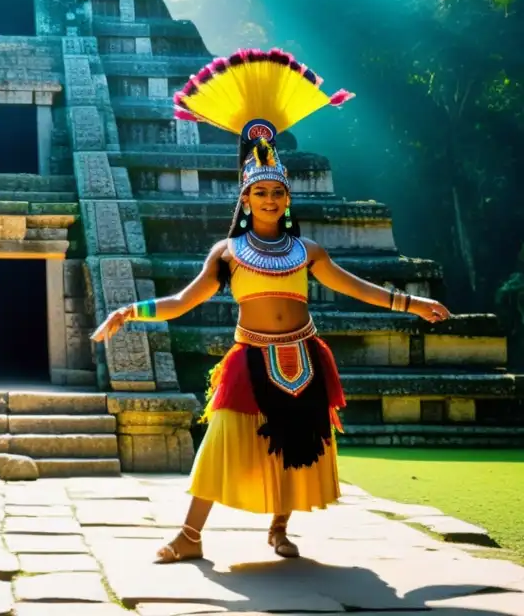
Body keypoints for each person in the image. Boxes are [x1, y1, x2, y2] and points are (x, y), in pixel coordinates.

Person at [91, 49, 451, 564]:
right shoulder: (227, 252)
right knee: (220, 441)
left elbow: (357, 288)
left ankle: (278, 528)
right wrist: (128, 312)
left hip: (304, 356)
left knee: (296, 444)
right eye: (259, 192)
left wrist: (413, 303)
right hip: (249, 358)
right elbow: (181, 301)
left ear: (287, 200)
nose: (268, 200)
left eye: (276, 192)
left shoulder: (308, 252)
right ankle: (190, 534)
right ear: (246, 198)